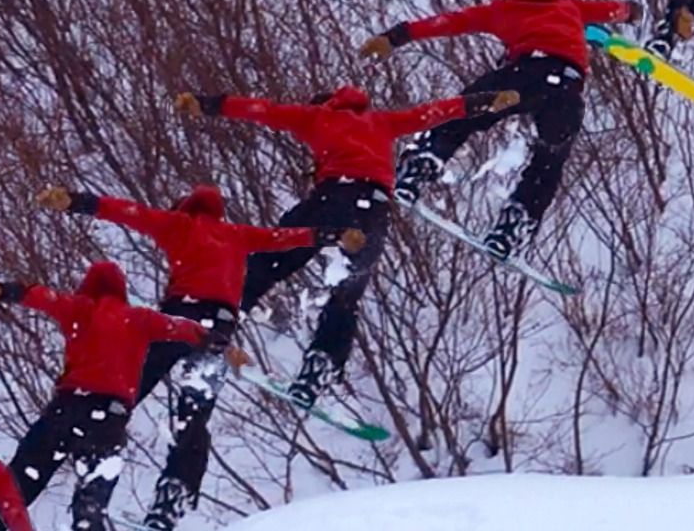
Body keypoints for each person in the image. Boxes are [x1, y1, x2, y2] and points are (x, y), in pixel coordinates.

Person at [34, 184, 357, 531]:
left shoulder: (177, 225)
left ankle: (90, 462)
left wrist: (78, 203)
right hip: (217, 330)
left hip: (179, 319)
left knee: (123, 396)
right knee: (194, 414)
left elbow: (128, 212)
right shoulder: (237, 234)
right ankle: (173, 498)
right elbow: (282, 238)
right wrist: (331, 235)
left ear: (186, 208)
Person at [174, 85, 515, 406]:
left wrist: (208, 103)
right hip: (372, 211)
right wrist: (483, 100)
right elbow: (431, 113)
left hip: (329, 201)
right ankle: (319, 367)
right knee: (347, 292)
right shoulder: (381, 121)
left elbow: (261, 110)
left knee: (265, 266)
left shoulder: (316, 117)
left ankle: (211, 332)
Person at [0, 261, 237, 531]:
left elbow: (41, 297)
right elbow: (180, 328)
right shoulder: (138, 318)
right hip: (106, 422)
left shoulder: (79, 309)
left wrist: (1, 290)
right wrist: (215, 340)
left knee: (16, 488)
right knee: (88, 509)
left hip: (63, 413)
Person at [362, 0, 638, 255]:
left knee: (463, 112)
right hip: (567, 89)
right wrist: (632, 11)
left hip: (524, 74)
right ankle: (514, 225)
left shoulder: (503, 8)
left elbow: (447, 22)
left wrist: (395, 36)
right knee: (549, 160)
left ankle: (420, 166)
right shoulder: (570, 6)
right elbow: (617, 9)